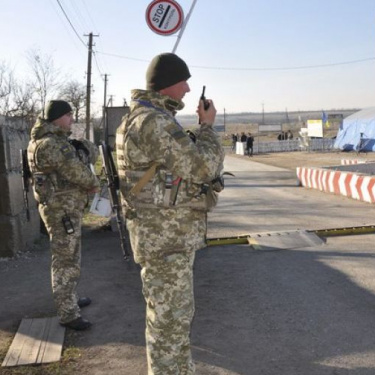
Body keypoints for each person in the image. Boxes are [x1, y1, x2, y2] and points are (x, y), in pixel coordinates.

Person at [115, 53, 225, 375]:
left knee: (170, 323)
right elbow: (204, 167)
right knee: (169, 326)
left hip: (161, 237)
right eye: (184, 82)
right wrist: (206, 127)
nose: (189, 89)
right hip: (166, 241)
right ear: (169, 85)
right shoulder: (154, 122)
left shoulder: (142, 118)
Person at [27, 100, 100, 331]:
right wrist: (92, 183)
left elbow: (87, 157)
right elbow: (81, 173)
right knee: (66, 260)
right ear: (57, 117)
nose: (71, 120)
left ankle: (69, 298)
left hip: (63, 208)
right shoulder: (52, 145)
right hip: (61, 211)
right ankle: (68, 313)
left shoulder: (50, 141)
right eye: (69, 116)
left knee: (70, 257)